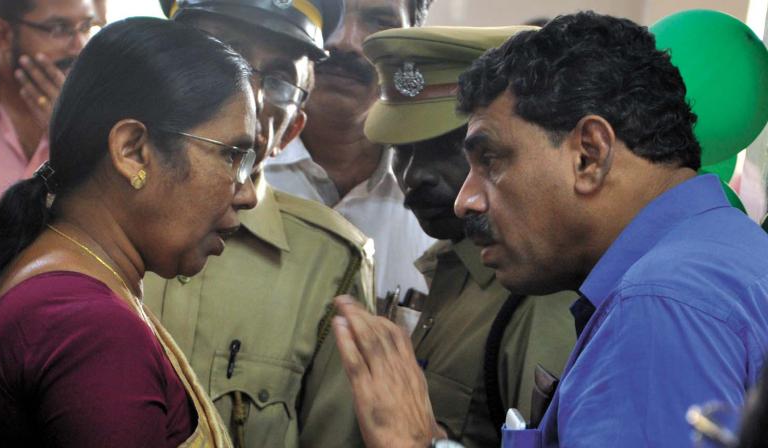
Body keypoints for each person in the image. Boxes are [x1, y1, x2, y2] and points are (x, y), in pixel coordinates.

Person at [331, 11, 768, 448]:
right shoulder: (720, 256)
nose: (466, 201)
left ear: (589, 156)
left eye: (490, 160)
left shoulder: (660, 305)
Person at [0, 17, 258, 446]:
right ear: (133, 151)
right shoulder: (90, 328)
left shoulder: (71, 285)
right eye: (232, 156)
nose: (248, 193)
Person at [145, 1, 374, 447]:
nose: (249, 95)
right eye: (224, 58)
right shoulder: (82, 217)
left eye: (280, 80)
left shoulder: (330, 264)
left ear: (291, 130)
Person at [361, 26, 578, 447]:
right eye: (401, 150)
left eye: (445, 146)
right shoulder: (453, 265)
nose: (412, 175)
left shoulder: (539, 293)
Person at [264, 0, 436, 297]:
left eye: (379, 21)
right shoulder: (240, 172)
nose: (344, 41)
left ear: (412, 45)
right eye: (326, 14)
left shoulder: (441, 203)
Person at [0, 0, 96, 258]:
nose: (80, 46)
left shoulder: (107, 119)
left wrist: (68, 131)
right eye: (59, 28)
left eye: (86, 27)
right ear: (2, 34)